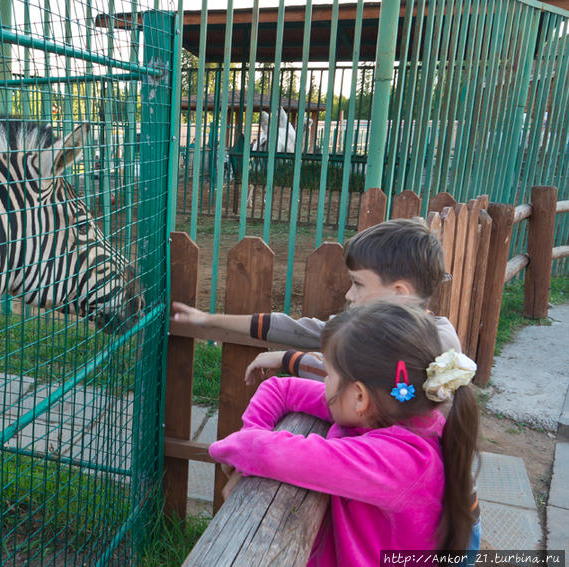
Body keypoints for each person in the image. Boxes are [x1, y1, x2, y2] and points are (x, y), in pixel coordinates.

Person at [209, 301, 480, 566]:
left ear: (359, 396)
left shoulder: (399, 462)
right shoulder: (391, 414)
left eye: (328, 374)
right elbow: (281, 389)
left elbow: (266, 452)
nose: (323, 382)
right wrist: (248, 450)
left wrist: (237, 449)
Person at [171, 217, 461, 381]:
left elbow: (358, 374)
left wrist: (289, 359)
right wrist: (208, 319)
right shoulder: (368, 328)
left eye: (358, 284)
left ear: (399, 293)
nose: (349, 295)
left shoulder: (439, 344)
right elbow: (297, 329)